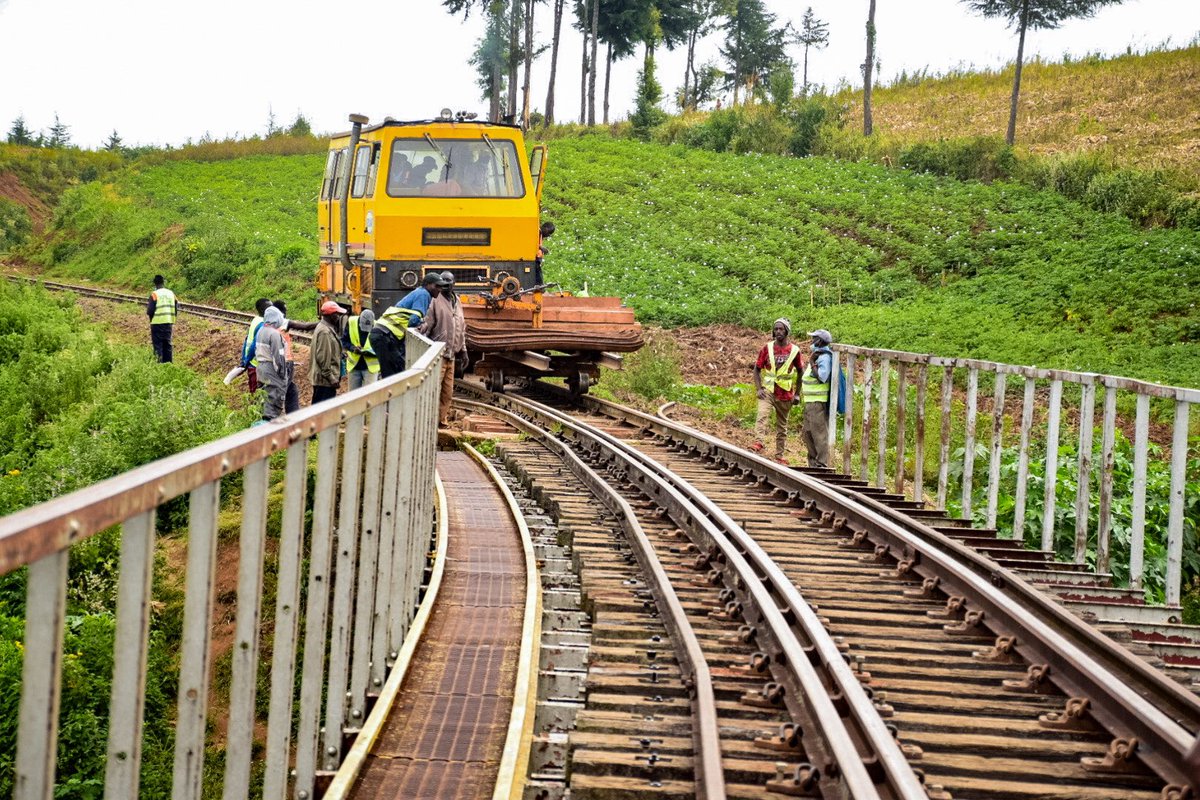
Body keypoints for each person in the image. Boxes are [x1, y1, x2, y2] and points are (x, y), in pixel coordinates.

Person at [417, 272, 467, 428]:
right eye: (443, 281)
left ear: (454, 283)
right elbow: (427, 324)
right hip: (438, 354)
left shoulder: (457, 301)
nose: (447, 284)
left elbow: (461, 327)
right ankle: (427, 421)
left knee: (447, 392)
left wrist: (463, 350)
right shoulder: (435, 300)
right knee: (433, 390)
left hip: (451, 355)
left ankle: (441, 420)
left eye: (449, 281)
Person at [752, 318, 802, 464]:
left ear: (787, 331)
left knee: (782, 426)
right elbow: (756, 369)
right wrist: (759, 388)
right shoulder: (766, 348)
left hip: (785, 393)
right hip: (768, 390)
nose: (778, 332)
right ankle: (758, 442)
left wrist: (798, 394)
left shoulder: (794, 351)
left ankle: (779, 455)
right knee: (762, 415)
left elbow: (800, 372)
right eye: (776, 329)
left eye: (781, 329)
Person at [273, 299, 317, 414]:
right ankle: (274, 417)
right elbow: (305, 327)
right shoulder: (282, 321)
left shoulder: (266, 323)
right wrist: (322, 323)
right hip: (285, 362)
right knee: (283, 390)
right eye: (285, 310)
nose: (286, 312)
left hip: (275, 362)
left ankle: (292, 416)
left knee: (291, 390)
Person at [801, 328, 835, 468]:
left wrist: (812, 362)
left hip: (817, 402)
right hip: (810, 402)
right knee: (808, 433)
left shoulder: (824, 357)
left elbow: (822, 377)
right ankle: (813, 465)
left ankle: (821, 465)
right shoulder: (817, 355)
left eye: (814, 338)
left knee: (819, 435)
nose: (811, 341)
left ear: (820, 341)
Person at [255, 307, 289, 421]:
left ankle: (261, 421)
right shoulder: (274, 334)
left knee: (264, 396)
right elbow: (278, 357)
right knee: (275, 395)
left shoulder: (261, 331)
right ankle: (269, 423)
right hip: (270, 368)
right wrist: (282, 374)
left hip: (260, 367)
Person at [310, 301, 346, 405]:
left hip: (323, 379)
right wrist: (331, 378)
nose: (339, 317)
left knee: (318, 407)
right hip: (324, 380)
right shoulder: (325, 332)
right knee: (322, 409)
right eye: (337, 314)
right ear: (332, 315)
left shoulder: (324, 327)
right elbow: (322, 357)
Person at [241, 298, 273, 392]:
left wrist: (244, 360)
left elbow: (247, 340)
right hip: (257, 366)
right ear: (264, 311)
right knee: (258, 396)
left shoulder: (256, 320)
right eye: (270, 308)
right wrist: (246, 361)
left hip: (252, 365)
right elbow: (254, 345)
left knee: (255, 393)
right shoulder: (262, 325)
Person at [344, 309, 378, 390]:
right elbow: (344, 341)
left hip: (370, 368)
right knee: (353, 396)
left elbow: (384, 348)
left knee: (370, 396)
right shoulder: (351, 322)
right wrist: (353, 348)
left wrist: (371, 352)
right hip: (354, 367)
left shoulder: (378, 327)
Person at [146, 275, 178, 363]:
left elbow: (150, 311)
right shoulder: (171, 293)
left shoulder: (154, 294)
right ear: (163, 282)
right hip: (168, 323)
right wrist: (172, 318)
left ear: (155, 284)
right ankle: (169, 365)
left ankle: (159, 365)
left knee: (158, 346)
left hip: (157, 323)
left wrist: (152, 320)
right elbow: (176, 306)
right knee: (167, 344)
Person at [535, 221, 555, 285]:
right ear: (546, 228)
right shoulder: (537, 232)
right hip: (534, 259)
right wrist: (542, 248)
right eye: (549, 233)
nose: (548, 235)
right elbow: (532, 244)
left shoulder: (541, 234)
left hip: (537, 259)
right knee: (538, 280)